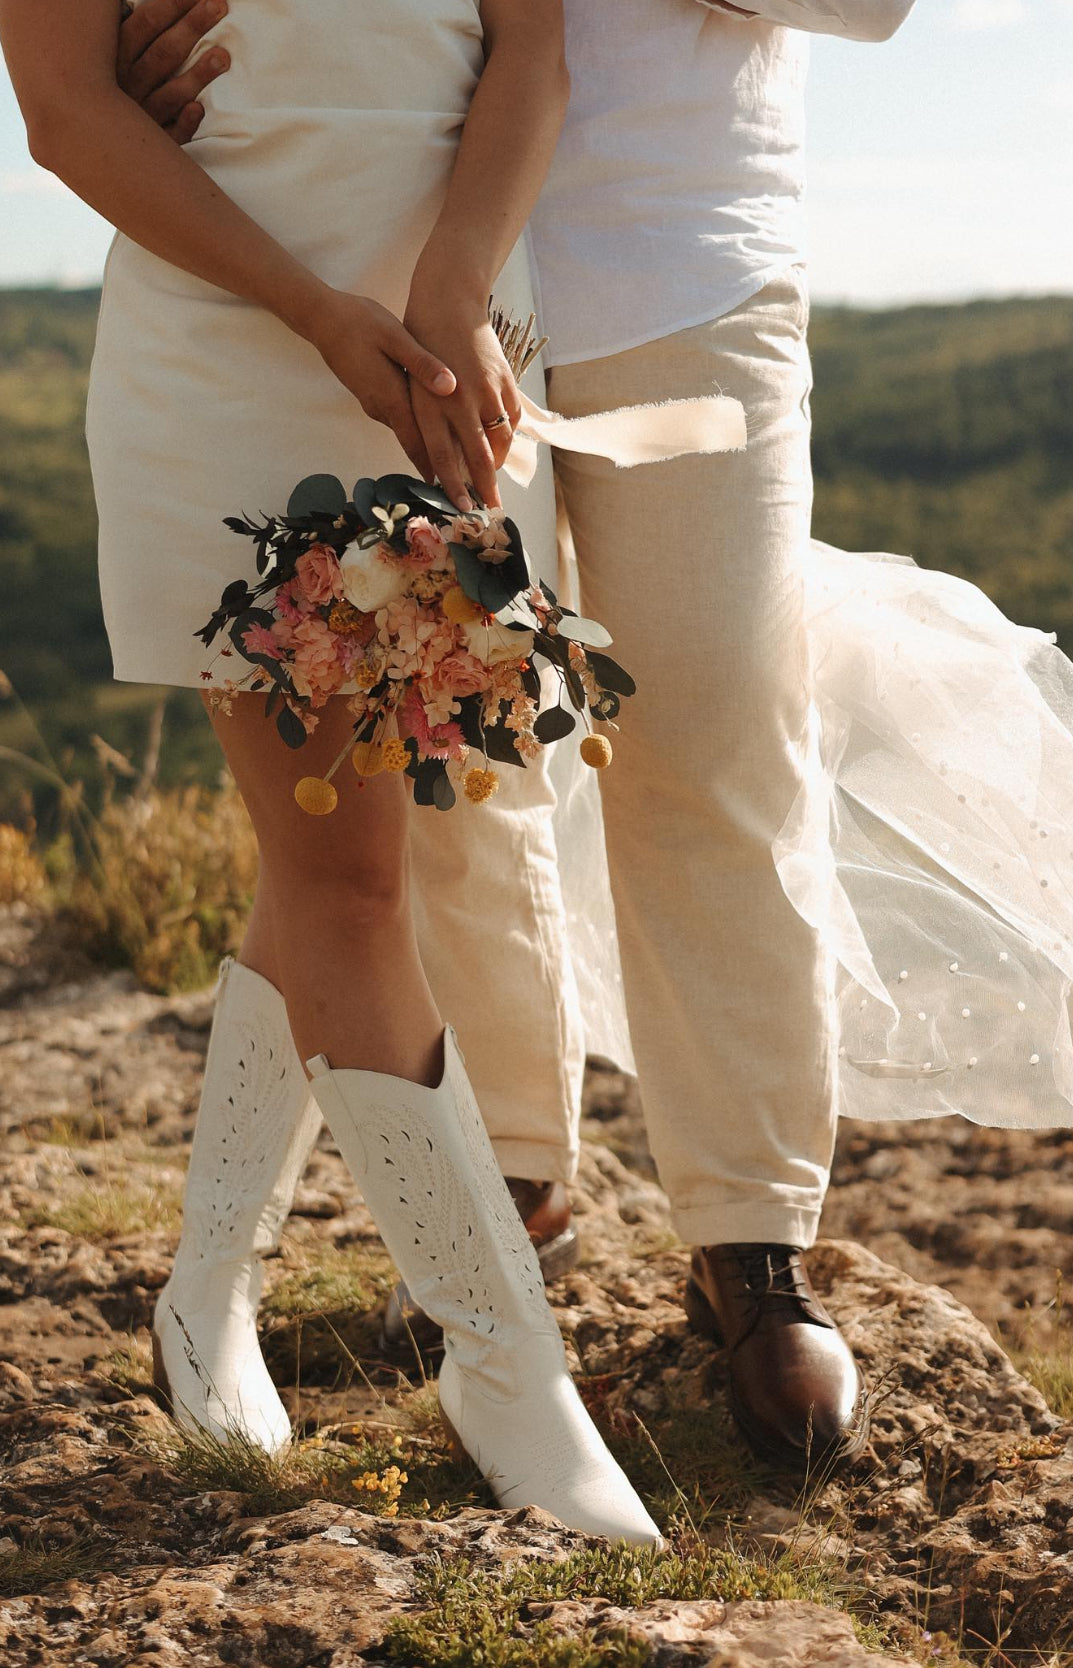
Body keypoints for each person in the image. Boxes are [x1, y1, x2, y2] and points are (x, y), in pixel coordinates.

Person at [0, 0, 664, 1547]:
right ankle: (506, 1371)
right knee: (349, 879)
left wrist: (453, 286)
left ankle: (206, 1296)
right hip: (229, 349)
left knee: (324, 870)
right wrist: (315, 311)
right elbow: (65, 108)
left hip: (447, 365)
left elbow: (529, 50)